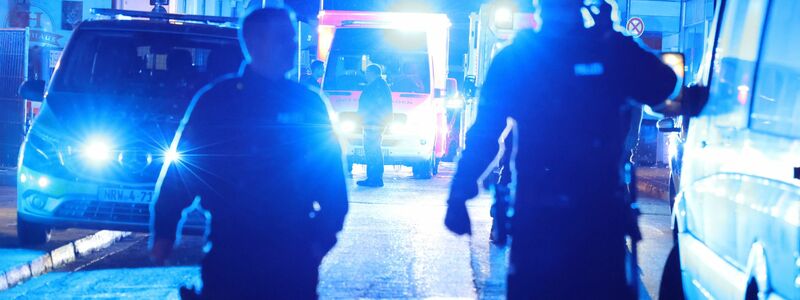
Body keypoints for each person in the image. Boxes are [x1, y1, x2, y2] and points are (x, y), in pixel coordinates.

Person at [444, 0, 679, 299]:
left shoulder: (517, 57)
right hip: (599, 214)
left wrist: (460, 193)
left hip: (538, 212)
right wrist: (614, 34)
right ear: (583, 5)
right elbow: (664, 84)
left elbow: (485, 133)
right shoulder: (609, 49)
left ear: (539, 6)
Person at [149, 7, 348, 299]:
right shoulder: (218, 101)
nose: (293, 46)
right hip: (232, 252)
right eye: (283, 38)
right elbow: (183, 173)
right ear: (254, 43)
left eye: (291, 38)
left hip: (292, 255)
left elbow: (332, 181)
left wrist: (320, 240)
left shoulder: (307, 104)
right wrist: (164, 232)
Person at [356, 64, 393, 187]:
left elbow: (375, 105)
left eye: (367, 72)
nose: (365, 75)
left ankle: (374, 178)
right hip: (373, 122)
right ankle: (373, 177)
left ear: (372, 73)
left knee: (372, 150)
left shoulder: (377, 86)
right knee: (373, 149)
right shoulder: (380, 85)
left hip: (373, 123)